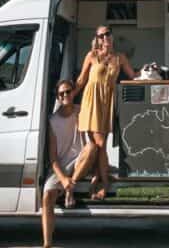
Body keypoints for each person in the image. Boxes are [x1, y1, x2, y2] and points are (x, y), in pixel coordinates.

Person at [74, 26, 138, 200]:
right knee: (99, 144)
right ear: (97, 39)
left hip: (107, 102)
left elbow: (133, 76)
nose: (105, 37)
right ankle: (102, 183)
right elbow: (81, 80)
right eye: (101, 35)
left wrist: (150, 72)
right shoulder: (92, 55)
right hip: (91, 101)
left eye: (107, 33)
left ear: (112, 36)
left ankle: (96, 179)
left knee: (100, 145)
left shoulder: (120, 57)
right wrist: (68, 97)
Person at [42, 78, 97, 248]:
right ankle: (47, 243)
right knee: (47, 196)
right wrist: (63, 179)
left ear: (74, 92)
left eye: (68, 91)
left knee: (92, 147)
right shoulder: (52, 121)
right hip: (61, 166)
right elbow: (53, 158)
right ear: (58, 97)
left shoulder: (82, 112)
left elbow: (92, 142)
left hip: (80, 163)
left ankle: (68, 191)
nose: (65, 95)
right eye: (61, 93)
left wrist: (97, 173)